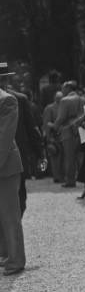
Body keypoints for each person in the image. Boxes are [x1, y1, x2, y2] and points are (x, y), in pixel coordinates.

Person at [0, 63, 44, 214]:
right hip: (15, 156)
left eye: (3, 79)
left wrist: (40, 153)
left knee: (20, 200)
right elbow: (33, 129)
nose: (3, 83)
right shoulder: (19, 98)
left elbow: (31, 129)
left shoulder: (19, 99)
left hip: (18, 156)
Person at [0, 85, 25, 276]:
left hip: (5, 166)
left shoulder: (7, 100)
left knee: (10, 216)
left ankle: (16, 260)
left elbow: (4, 138)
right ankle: (7, 254)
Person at [52, 81, 85, 188]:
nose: (62, 89)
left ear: (68, 88)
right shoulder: (83, 99)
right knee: (81, 156)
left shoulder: (65, 100)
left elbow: (61, 118)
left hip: (68, 131)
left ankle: (70, 180)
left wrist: (54, 128)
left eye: (63, 87)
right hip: (82, 130)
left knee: (69, 157)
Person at [43, 91, 64, 183]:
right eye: (58, 98)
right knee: (55, 157)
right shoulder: (49, 108)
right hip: (54, 137)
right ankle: (56, 176)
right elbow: (46, 123)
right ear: (54, 98)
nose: (59, 99)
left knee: (63, 157)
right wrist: (48, 138)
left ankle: (62, 176)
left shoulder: (64, 106)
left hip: (63, 135)